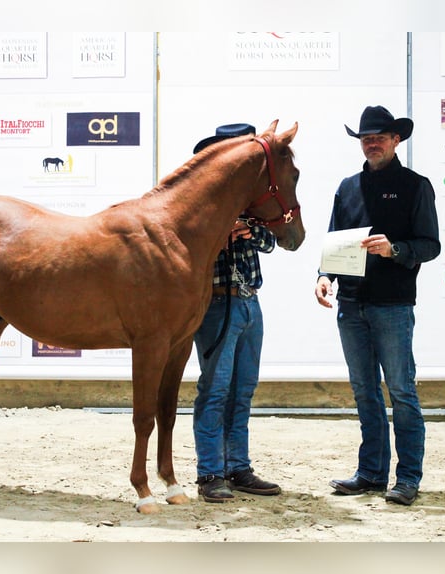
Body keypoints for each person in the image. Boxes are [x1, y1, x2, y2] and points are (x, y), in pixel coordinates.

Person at [314, 105, 440, 506]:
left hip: (393, 305)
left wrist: (395, 249)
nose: (371, 143)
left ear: (395, 140)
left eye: (379, 137)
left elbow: (430, 245)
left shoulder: (415, 185)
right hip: (350, 305)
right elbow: (335, 239)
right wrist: (323, 276)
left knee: (401, 392)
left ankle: (407, 478)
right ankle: (370, 473)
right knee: (365, 391)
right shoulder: (347, 187)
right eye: (366, 138)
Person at [191, 123, 282, 503]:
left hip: (249, 300)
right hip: (217, 301)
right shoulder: (201, 204)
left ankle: (237, 466)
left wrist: (247, 229)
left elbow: (270, 241)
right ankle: (210, 470)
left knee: (242, 389)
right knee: (215, 389)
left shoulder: (249, 205)